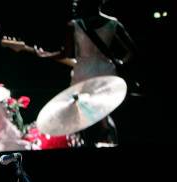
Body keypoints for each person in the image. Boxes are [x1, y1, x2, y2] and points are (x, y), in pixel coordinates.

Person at [36, 0, 137, 146]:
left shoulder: (74, 25)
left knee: (84, 121)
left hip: (82, 76)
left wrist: (44, 55)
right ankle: (110, 139)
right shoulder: (113, 23)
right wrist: (121, 62)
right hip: (106, 75)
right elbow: (132, 50)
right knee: (105, 115)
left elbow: (66, 53)